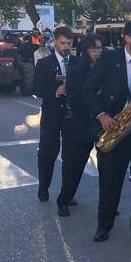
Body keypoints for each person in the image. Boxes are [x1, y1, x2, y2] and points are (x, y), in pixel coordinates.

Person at [84, 21, 131, 243]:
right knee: (110, 181)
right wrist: (101, 115)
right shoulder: (109, 58)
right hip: (114, 127)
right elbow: (88, 90)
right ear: (127, 38)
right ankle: (104, 225)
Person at [55, 35, 103, 216]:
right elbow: (75, 98)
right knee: (73, 166)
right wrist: (97, 98)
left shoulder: (105, 69)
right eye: (93, 49)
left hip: (100, 124)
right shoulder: (76, 71)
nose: (97, 52)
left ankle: (107, 206)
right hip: (78, 124)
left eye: (99, 48)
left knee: (107, 168)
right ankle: (64, 199)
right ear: (85, 51)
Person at [32, 26, 76, 206]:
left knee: (71, 157)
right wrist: (54, 92)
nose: (66, 46)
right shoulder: (45, 64)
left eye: (69, 43)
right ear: (55, 43)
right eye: (62, 43)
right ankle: (44, 187)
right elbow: (35, 89)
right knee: (47, 154)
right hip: (51, 115)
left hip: (72, 117)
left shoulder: (78, 62)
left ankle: (67, 193)